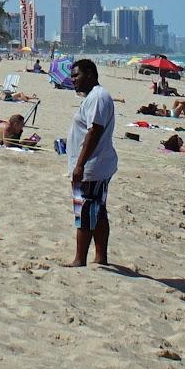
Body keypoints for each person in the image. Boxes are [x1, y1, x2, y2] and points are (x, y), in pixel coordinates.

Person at [66, 58, 117, 267]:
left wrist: (80, 165)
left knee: (86, 210)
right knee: (98, 210)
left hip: (93, 166)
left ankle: (80, 259)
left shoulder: (98, 97)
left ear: (90, 74)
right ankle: (101, 257)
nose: (73, 80)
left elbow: (94, 131)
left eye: (76, 75)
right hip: (93, 164)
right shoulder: (92, 98)